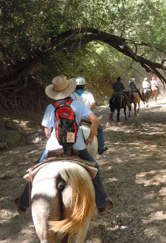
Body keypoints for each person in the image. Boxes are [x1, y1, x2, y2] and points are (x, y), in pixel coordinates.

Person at [15, 75, 113, 215]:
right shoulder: (77, 105)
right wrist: (90, 137)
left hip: (53, 148)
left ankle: (23, 204)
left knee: (34, 171)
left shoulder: (50, 107)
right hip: (77, 147)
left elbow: (47, 132)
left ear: (54, 93)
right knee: (95, 168)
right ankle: (102, 203)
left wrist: (53, 134)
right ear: (69, 90)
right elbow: (95, 121)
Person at [71, 76, 108, 155]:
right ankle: (101, 148)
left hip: (75, 118)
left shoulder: (72, 95)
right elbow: (93, 104)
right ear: (84, 85)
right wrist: (87, 112)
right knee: (100, 129)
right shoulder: (88, 94)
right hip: (87, 117)